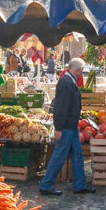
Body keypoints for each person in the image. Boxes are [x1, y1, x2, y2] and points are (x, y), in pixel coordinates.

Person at [39, 58, 90, 196]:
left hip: (71, 126)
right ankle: (46, 184)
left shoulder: (69, 80)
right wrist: (59, 128)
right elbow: (61, 107)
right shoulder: (66, 82)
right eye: (81, 71)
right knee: (60, 155)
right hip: (67, 126)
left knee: (77, 155)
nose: (81, 73)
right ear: (77, 70)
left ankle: (79, 185)